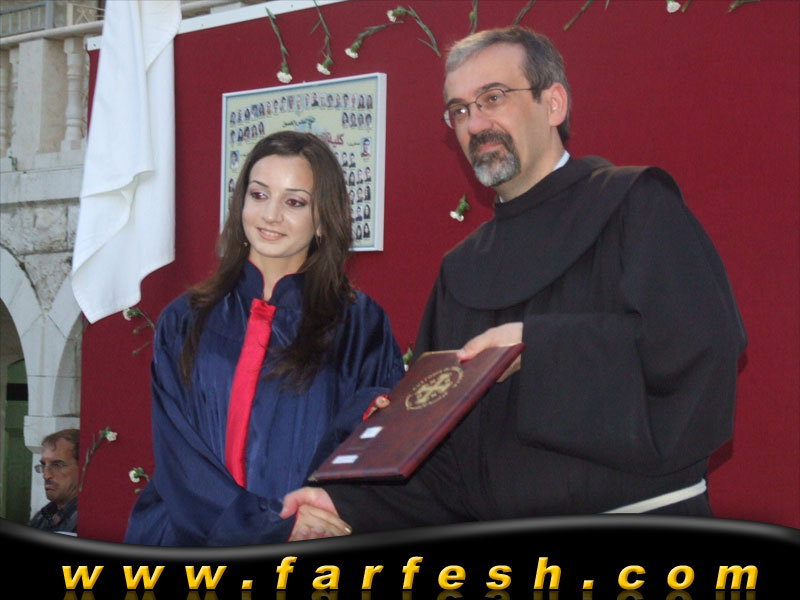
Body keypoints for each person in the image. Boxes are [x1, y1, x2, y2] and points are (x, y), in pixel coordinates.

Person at [282, 26, 747, 539]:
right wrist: (344, 504)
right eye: (459, 110)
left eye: (493, 97)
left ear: (554, 103)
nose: (475, 122)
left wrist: (538, 348)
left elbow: (702, 352)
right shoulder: (461, 270)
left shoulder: (635, 205)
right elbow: (442, 452)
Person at [124, 131, 405, 546]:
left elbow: (373, 447)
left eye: (295, 202)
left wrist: (308, 517)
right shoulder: (184, 320)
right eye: (259, 195)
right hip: (188, 537)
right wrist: (263, 525)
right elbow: (178, 457)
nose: (271, 215)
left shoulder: (360, 325)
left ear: (322, 219)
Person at [28, 429, 80, 534]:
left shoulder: (90, 520)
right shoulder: (46, 514)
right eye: (43, 465)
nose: (46, 475)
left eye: (57, 465)